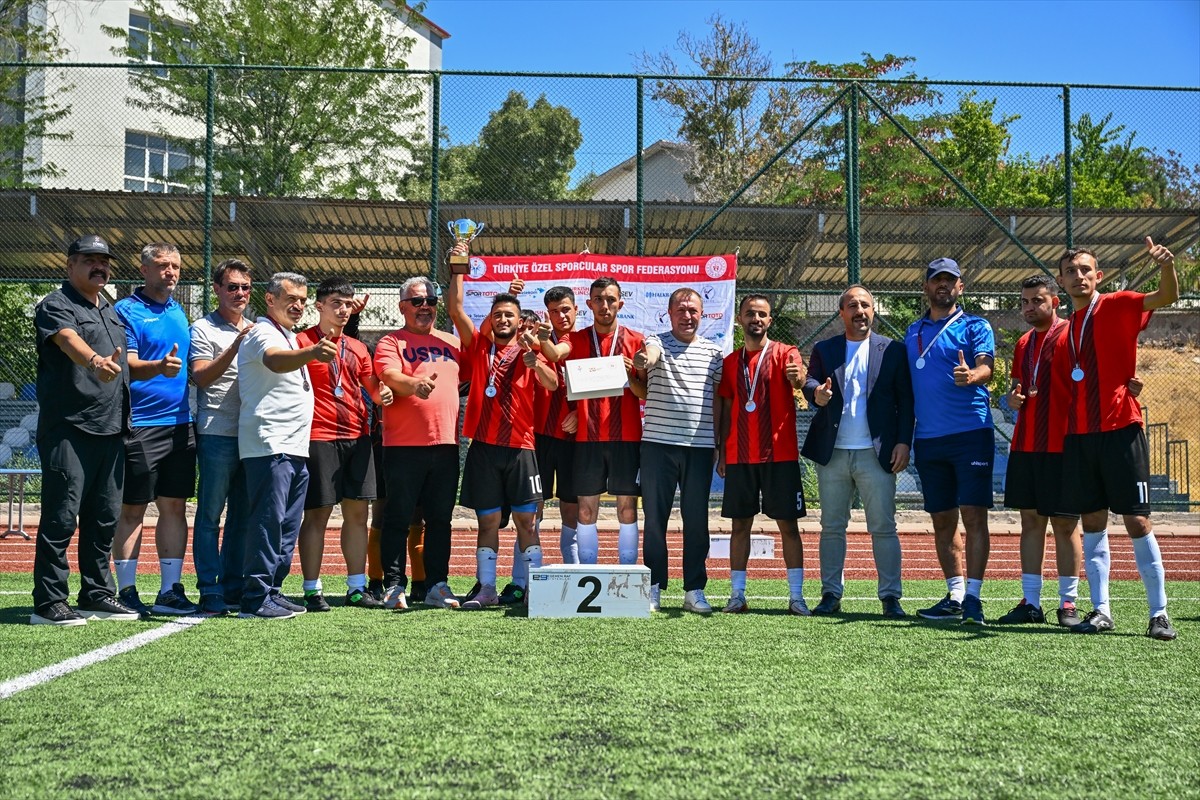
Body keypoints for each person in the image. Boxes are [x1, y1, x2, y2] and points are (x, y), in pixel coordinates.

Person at [1059, 239, 1179, 641]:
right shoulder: (1066, 328)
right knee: (1092, 521)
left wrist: (1166, 265)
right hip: (1079, 436)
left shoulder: (1117, 304)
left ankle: (1159, 614)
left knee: (1138, 520)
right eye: (1070, 272)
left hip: (1121, 430)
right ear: (1062, 280)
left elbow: (1168, 295)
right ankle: (1102, 610)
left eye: (1084, 270)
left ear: (1099, 275)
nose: (1078, 277)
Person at [30, 235, 139, 625]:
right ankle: (49, 602)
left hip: (111, 429)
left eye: (104, 261)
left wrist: (156, 368)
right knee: (61, 517)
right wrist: (93, 361)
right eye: (89, 260)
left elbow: (121, 364)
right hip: (69, 429)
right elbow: (68, 340)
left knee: (105, 517)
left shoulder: (109, 309)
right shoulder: (56, 305)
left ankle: (96, 593)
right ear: (70, 265)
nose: (99, 267)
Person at [446, 243, 559, 609]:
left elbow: (552, 384)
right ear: (491, 319)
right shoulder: (479, 347)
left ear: (518, 320)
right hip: (484, 447)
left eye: (510, 315)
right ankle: (486, 589)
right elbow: (455, 308)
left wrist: (534, 362)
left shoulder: (533, 349)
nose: (504, 320)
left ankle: (534, 590)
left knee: (527, 523)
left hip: (522, 449)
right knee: (488, 522)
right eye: (498, 315)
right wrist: (457, 269)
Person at [800, 285, 914, 619]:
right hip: (833, 453)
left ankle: (891, 597)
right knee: (832, 526)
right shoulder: (825, 348)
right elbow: (810, 382)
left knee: (884, 527)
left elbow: (906, 401)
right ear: (842, 313)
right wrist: (816, 394)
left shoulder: (893, 350)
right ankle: (831, 593)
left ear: (873, 311)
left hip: (875, 453)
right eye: (852, 305)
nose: (859, 310)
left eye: (865, 305)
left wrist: (904, 442)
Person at [237, 272, 335, 620]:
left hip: (293, 448)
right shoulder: (262, 332)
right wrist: (311, 351)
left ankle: (272, 591)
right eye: (290, 298)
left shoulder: (289, 336)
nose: (297, 306)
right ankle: (254, 597)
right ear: (270, 300)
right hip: (270, 444)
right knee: (268, 521)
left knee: (286, 525)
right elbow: (274, 361)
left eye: (302, 301)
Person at [904, 258, 995, 625]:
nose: (943, 285)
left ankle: (974, 598)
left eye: (950, 280)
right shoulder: (913, 331)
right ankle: (955, 594)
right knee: (942, 519)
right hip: (928, 438)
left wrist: (973, 374)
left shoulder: (976, 324)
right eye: (936, 280)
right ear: (926, 287)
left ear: (961, 287)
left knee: (974, 517)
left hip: (970, 432)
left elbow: (988, 365)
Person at [295, 278, 392, 611]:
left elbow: (374, 389)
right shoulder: (300, 342)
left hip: (357, 437)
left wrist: (385, 395)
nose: (343, 309)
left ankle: (356, 587)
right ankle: (311, 589)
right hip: (318, 437)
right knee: (317, 514)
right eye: (336, 302)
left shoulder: (358, 348)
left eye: (348, 304)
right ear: (319, 305)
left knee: (357, 514)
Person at [112, 242, 197, 618]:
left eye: (176, 266)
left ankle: (169, 591)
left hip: (181, 425)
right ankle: (126, 590)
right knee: (132, 509)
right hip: (140, 425)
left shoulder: (180, 311)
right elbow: (127, 363)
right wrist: (158, 367)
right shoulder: (125, 311)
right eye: (162, 265)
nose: (171, 272)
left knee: (175, 507)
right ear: (143, 269)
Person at [997, 274, 1083, 627]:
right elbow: (1018, 389)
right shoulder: (1022, 343)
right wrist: (1013, 399)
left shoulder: (1073, 335)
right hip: (1026, 444)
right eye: (1025, 302)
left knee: (1065, 525)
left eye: (1038, 300)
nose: (1030, 307)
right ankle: (1030, 602)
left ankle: (1068, 603)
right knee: (1030, 522)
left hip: (1063, 446)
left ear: (1055, 302)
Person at [374, 275, 464, 609]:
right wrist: (414, 385)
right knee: (397, 517)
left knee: (441, 519)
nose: (424, 307)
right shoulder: (390, 342)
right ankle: (394, 586)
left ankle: (438, 585)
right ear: (402, 307)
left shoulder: (452, 343)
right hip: (403, 447)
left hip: (446, 445)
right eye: (416, 301)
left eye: (430, 301)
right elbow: (389, 375)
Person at [717, 294, 809, 615]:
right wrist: (720, 450)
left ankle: (796, 597)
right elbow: (727, 407)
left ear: (770, 321)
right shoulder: (731, 363)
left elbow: (799, 375)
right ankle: (737, 595)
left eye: (762, 314)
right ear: (740, 319)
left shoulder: (785, 353)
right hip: (739, 456)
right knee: (739, 526)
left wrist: (798, 378)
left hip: (779, 456)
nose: (756, 319)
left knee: (788, 526)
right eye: (750, 314)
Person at [635, 287, 725, 613]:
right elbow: (650, 354)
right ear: (670, 314)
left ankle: (694, 590)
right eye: (682, 310)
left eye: (693, 311)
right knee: (655, 520)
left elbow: (718, 401)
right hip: (658, 447)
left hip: (700, 449)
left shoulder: (715, 354)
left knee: (697, 521)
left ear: (701, 315)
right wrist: (645, 359)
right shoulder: (656, 341)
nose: (688, 316)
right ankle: (654, 587)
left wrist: (718, 444)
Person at [556, 278, 646, 571]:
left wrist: (630, 375)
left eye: (610, 299)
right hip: (587, 439)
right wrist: (573, 411)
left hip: (627, 437)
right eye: (598, 299)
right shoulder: (578, 339)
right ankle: (588, 573)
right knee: (585, 510)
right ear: (589, 304)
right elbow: (566, 382)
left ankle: (628, 572)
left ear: (621, 303)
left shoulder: (636, 341)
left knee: (627, 509)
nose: (604, 305)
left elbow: (644, 393)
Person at [189, 259, 254, 615]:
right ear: (216, 289)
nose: (239, 293)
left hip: (250, 434)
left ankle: (233, 586)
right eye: (232, 287)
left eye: (245, 287)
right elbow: (200, 377)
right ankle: (208, 588)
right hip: (216, 431)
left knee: (242, 516)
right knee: (211, 515)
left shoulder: (258, 328)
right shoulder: (202, 328)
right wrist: (234, 348)